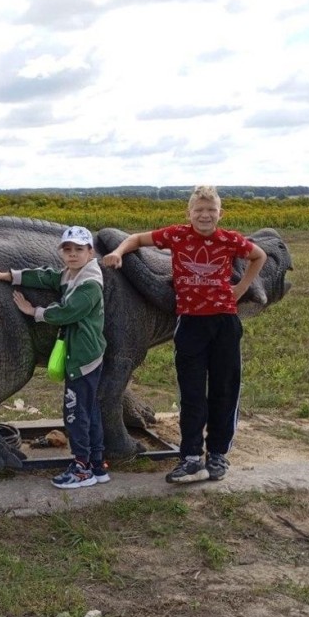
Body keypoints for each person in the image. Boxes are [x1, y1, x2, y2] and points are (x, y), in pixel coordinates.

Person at [101, 185, 267, 484]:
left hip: (224, 324)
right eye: (199, 210)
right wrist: (117, 251)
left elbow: (259, 255)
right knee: (191, 394)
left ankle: (217, 454)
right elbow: (137, 239)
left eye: (211, 210)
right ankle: (191, 457)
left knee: (224, 389)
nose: (205, 215)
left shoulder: (230, 239)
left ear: (220, 213)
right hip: (190, 323)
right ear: (189, 213)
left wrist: (241, 288)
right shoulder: (176, 235)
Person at [0, 226, 107, 489]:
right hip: (86, 353)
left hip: (82, 357)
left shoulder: (89, 284)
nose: (72, 254)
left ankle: (82, 469)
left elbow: (68, 312)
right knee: (90, 410)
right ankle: (98, 466)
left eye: (79, 249)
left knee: (74, 413)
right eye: (67, 250)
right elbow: (46, 277)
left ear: (90, 252)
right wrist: (3, 275)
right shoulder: (72, 274)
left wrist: (33, 311)